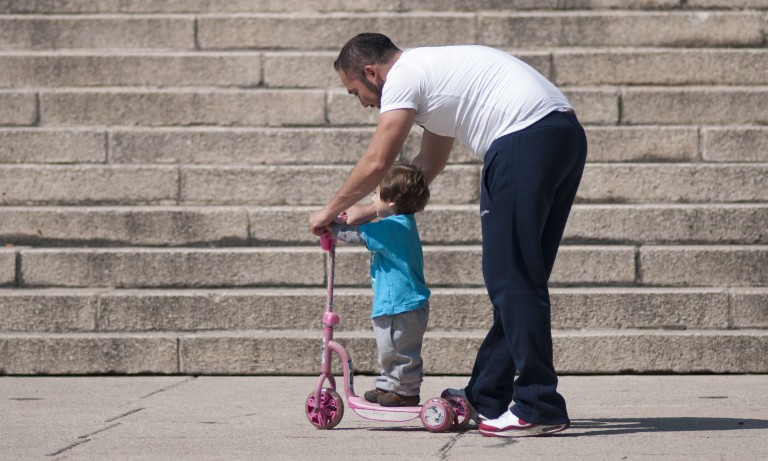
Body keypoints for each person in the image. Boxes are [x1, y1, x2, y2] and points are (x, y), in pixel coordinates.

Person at [309, 33, 587, 437]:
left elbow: (378, 159)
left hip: (522, 139)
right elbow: (425, 166)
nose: (365, 104)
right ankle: (486, 395)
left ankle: (539, 404)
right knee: (520, 280)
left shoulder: (403, 77)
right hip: (562, 134)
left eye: (356, 92)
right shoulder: (434, 79)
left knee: (510, 279)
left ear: (372, 72)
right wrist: (371, 210)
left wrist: (328, 210)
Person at [328, 163, 431, 407]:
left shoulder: (394, 227)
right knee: (389, 351)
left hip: (400, 305)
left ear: (392, 200)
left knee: (398, 351)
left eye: (376, 193)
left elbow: (356, 236)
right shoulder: (400, 224)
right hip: (398, 302)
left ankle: (405, 391)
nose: (373, 199)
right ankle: (389, 385)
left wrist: (330, 224)